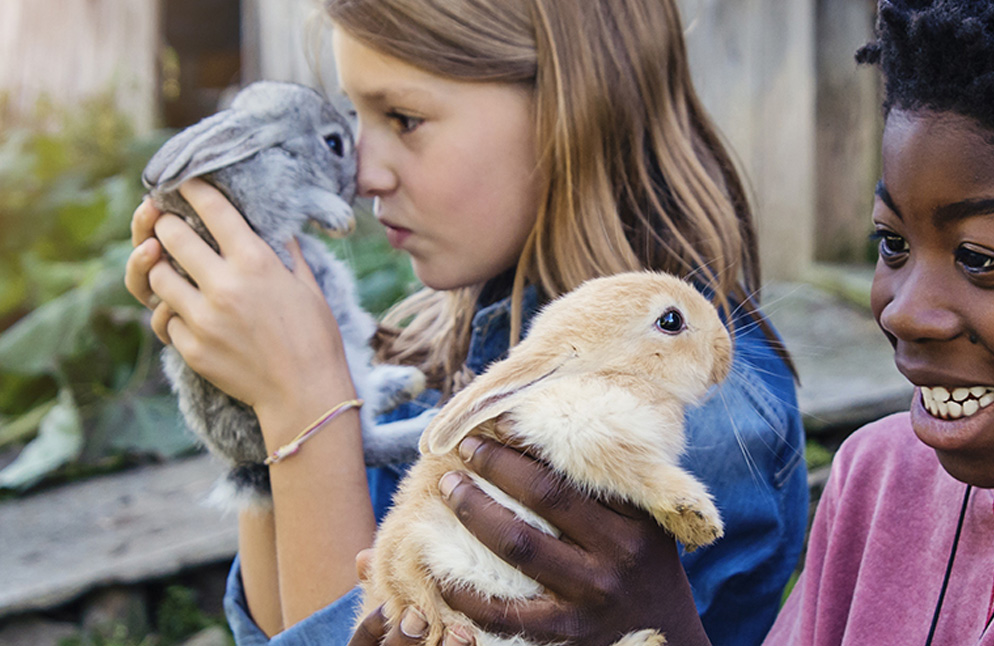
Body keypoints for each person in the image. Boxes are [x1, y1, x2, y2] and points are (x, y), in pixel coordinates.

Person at [124, 1, 808, 644]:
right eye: (357, 119)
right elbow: (282, 628)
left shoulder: (686, 413)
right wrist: (251, 392)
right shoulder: (438, 345)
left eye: (404, 118)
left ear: (570, 106)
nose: (363, 172)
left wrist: (304, 402)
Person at [434, 1, 994, 644]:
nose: (901, 311)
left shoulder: (721, 428)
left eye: (980, 259)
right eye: (891, 243)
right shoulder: (876, 478)